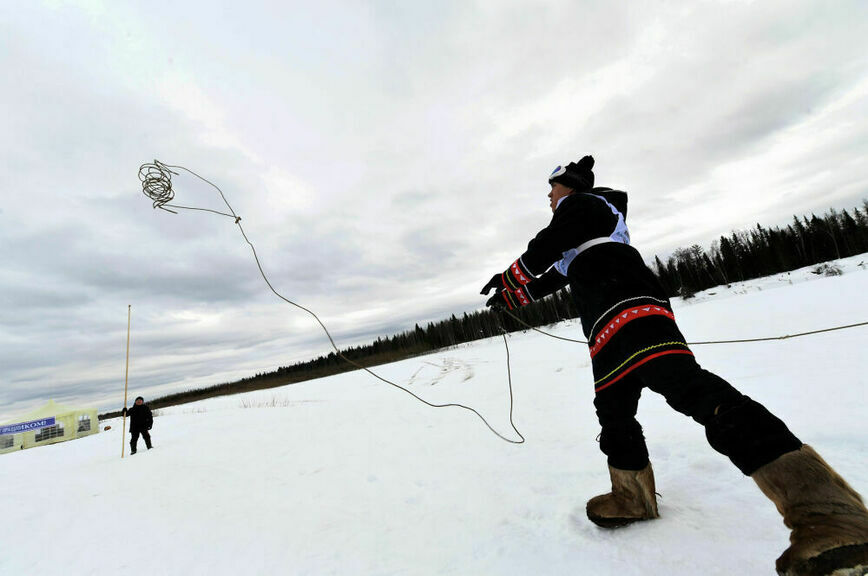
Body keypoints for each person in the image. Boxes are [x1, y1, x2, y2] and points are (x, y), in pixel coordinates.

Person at [481, 155, 868, 576]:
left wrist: (511, 274)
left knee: (693, 391)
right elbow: (555, 272)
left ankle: (830, 514)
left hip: (632, 311)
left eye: (551, 191)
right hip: (605, 330)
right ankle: (632, 496)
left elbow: (551, 241)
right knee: (613, 415)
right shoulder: (579, 231)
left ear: (568, 184)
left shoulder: (587, 204)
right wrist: (511, 296)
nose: (549, 199)